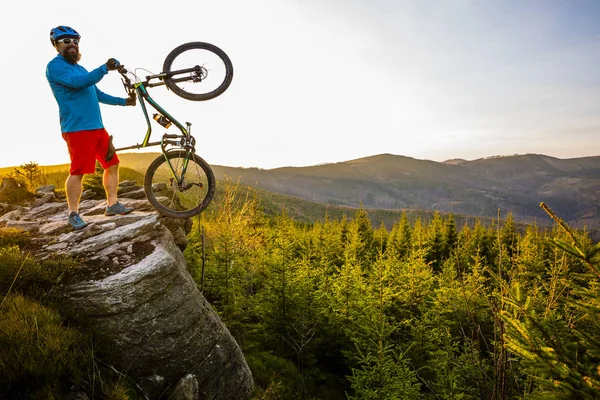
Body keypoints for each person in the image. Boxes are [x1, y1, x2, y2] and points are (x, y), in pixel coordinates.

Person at [46, 25, 136, 230]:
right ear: (57, 45)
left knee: (112, 164)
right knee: (79, 171)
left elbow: (97, 94)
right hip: (77, 129)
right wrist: (104, 68)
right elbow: (79, 83)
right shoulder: (55, 67)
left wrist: (124, 102)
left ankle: (112, 205)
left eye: (76, 42)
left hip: (97, 127)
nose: (73, 45)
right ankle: (73, 213)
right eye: (67, 41)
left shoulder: (81, 68)